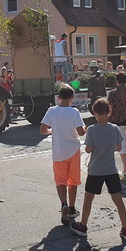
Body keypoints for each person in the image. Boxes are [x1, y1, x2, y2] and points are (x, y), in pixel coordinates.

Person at [69, 98, 126, 241]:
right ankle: (125, 228)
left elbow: (88, 149)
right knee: (118, 199)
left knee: (88, 199)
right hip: (111, 169)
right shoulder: (114, 128)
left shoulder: (91, 129)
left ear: (94, 112)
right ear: (109, 112)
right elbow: (119, 147)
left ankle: (83, 225)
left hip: (96, 170)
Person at [40, 84, 87, 225]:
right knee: (73, 181)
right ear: (72, 98)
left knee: (60, 181)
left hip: (58, 152)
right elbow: (81, 132)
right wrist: (85, 127)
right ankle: (72, 208)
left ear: (58, 97)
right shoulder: (74, 112)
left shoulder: (52, 111)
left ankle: (63, 204)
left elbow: (42, 129)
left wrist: (51, 131)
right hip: (73, 151)